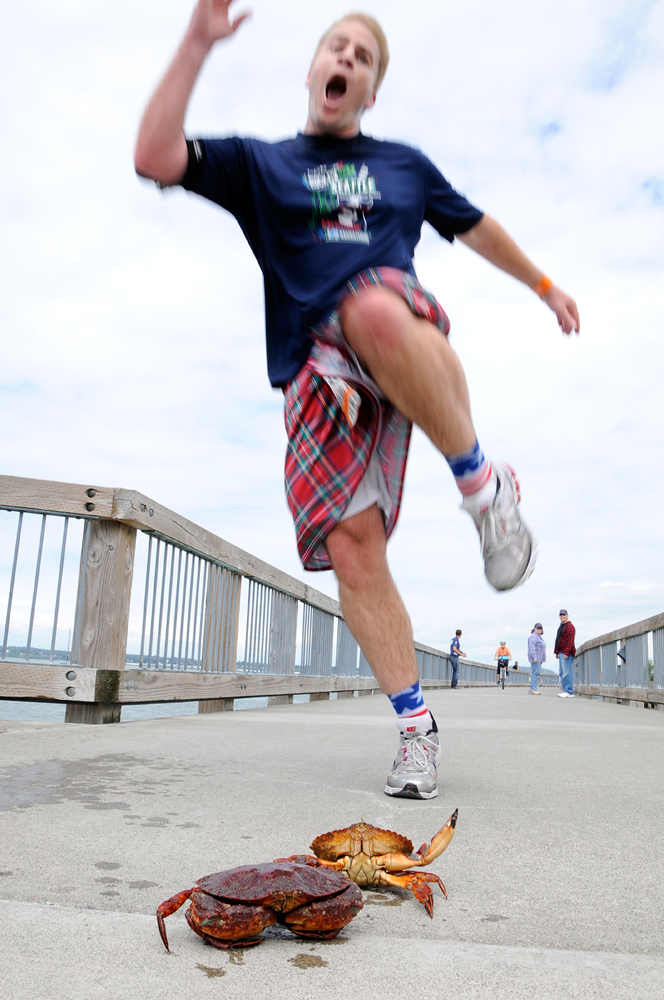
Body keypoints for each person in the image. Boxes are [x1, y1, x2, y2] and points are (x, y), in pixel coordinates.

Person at [134, 2, 580, 800]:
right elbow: (154, 156)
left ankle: (483, 488)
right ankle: (416, 731)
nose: (346, 58)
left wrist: (544, 285)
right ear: (313, 71)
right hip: (318, 373)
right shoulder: (262, 165)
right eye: (336, 48)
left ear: (371, 92)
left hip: (399, 334)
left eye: (363, 56)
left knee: (370, 308)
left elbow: (476, 226)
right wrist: (198, 43)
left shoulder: (402, 166)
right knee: (352, 548)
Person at [554, 610, 576, 698]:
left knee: (567, 672)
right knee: (562, 672)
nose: (562, 616)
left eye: (564, 614)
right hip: (560, 652)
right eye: (561, 615)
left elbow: (571, 641)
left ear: (567, 615)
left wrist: (567, 652)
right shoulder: (562, 626)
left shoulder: (570, 627)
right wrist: (556, 652)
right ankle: (566, 690)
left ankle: (569, 691)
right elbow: (558, 639)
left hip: (566, 652)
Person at [527, 623, 546, 694]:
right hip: (536, 658)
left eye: (540, 628)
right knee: (535, 673)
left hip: (539, 658)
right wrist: (534, 657)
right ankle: (533, 689)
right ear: (534, 629)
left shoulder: (539, 637)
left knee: (536, 673)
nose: (539, 629)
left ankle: (533, 688)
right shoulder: (533, 637)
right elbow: (532, 648)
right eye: (537, 628)